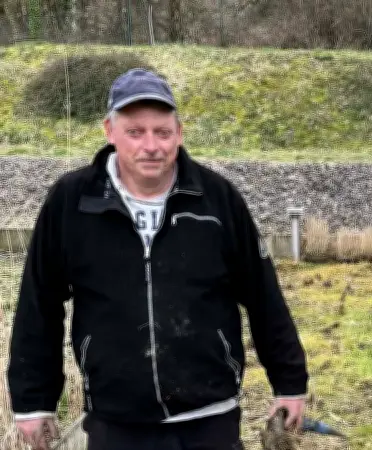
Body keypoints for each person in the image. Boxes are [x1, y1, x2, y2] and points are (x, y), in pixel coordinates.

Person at [7, 68, 309, 450]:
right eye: (135, 132)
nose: (151, 146)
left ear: (179, 134)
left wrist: (289, 383)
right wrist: (33, 401)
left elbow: (264, 296)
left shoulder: (217, 199)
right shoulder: (71, 202)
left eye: (162, 132)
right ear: (109, 131)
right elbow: (39, 304)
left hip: (210, 417)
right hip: (116, 421)